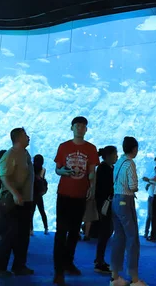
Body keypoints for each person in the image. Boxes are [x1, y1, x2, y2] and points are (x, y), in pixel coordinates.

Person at [52, 116, 99, 285]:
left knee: (74, 233)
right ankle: (58, 270)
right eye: (77, 126)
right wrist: (62, 172)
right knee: (61, 232)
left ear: (86, 129)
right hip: (64, 194)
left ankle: (68, 263)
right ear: (71, 128)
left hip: (81, 195)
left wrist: (92, 187)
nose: (80, 128)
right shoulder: (64, 147)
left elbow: (92, 171)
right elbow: (57, 169)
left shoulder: (92, 149)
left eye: (83, 126)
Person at [0, 128, 35, 277]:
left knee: (23, 236)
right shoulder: (10, 155)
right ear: (18, 137)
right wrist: (16, 194)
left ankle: (19, 266)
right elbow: (4, 177)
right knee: (9, 236)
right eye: (25, 135)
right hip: (11, 201)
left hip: (25, 200)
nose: (28, 138)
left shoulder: (25, 153)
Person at [110, 137, 148, 286]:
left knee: (119, 238)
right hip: (126, 201)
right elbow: (133, 186)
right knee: (132, 239)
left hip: (115, 200)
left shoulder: (119, 161)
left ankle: (115, 277)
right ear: (134, 149)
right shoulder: (130, 163)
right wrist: (136, 184)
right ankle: (134, 279)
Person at [94, 145, 118, 274]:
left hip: (109, 203)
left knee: (108, 230)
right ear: (108, 156)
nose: (117, 156)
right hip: (105, 204)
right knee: (105, 231)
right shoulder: (103, 168)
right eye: (115, 154)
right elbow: (103, 188)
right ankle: (99, 261)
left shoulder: (109, 168)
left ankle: (99, 259)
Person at [31, 154, 49, 236]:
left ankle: (31, 229)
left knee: (31, 211)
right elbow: (42, 180)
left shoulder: (31, 169)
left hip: (32, 192)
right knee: (42, 210)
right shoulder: (43, 170)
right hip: (39, 193)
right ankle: (46, 228)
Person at [142, 163, 156, 239]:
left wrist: (148, 181)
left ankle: (153, 233)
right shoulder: (153, 176)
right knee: (149, 216)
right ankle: (146, 232)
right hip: (151, 197)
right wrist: (148, 183)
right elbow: (151, 183)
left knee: (153, 216)